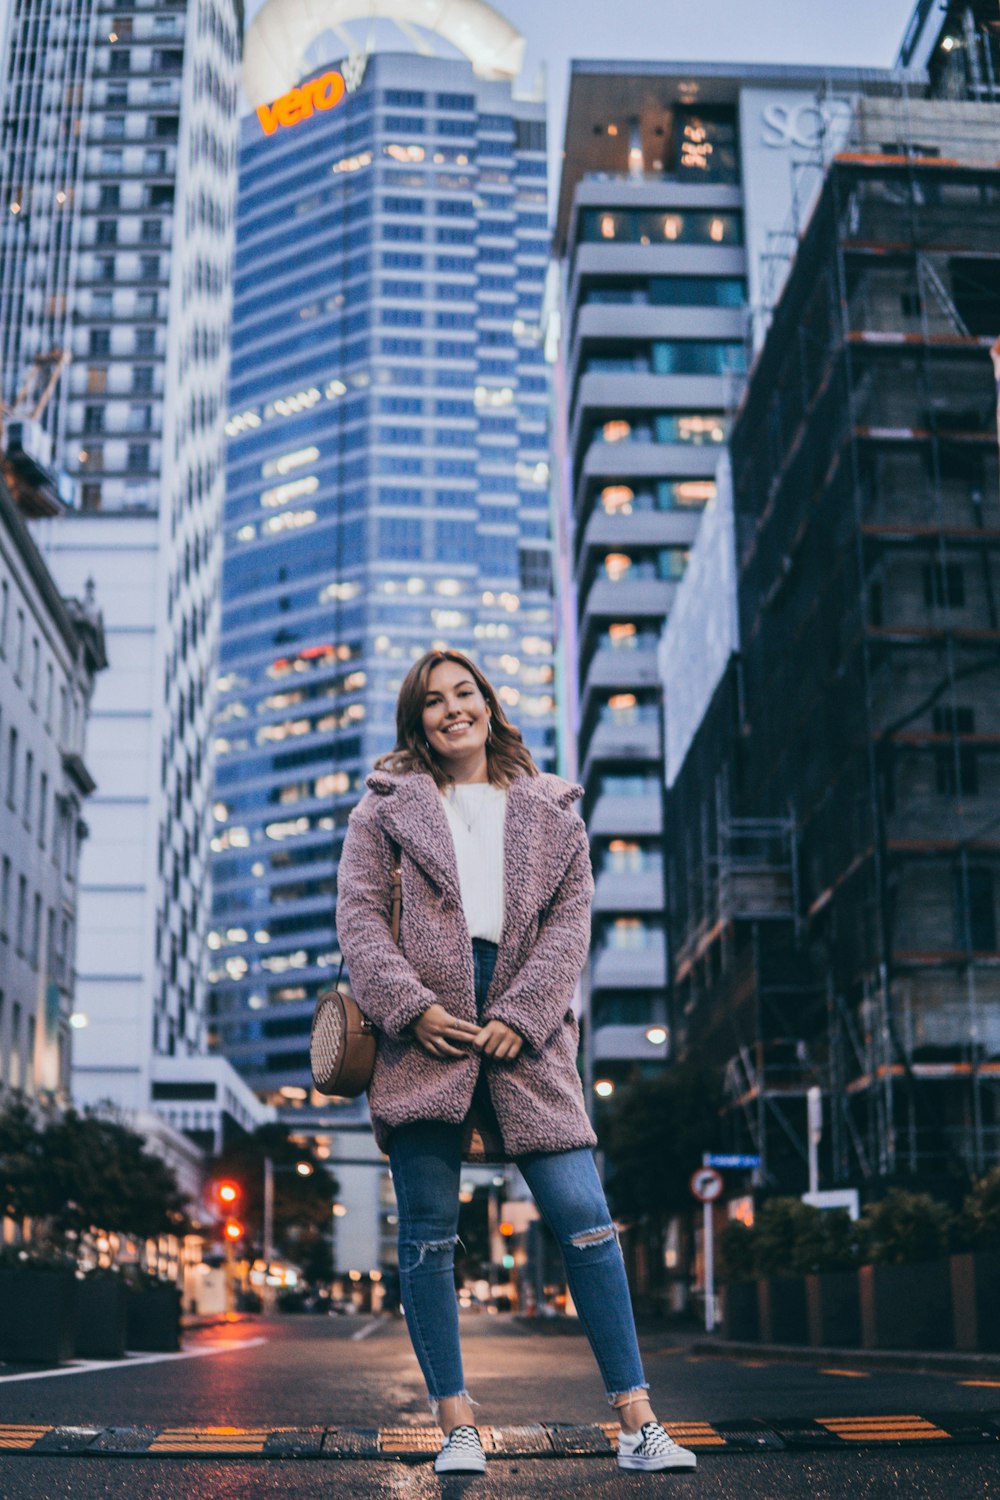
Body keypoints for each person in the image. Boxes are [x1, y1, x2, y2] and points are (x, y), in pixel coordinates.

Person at [336, 649, 696, 1476]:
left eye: (465, 693)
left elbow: (573, 923)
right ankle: (456, 1424)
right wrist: (411, 1010)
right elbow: (358, 920)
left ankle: (638, 1423)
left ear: (491, 705)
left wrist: (526, 1015)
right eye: (433, 701)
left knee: (588, 1220)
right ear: (416, 720)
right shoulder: (382, 810)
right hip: (423, 1030)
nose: (452, 709)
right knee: (428, 1238)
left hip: (526, 1032)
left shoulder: (551, 807)